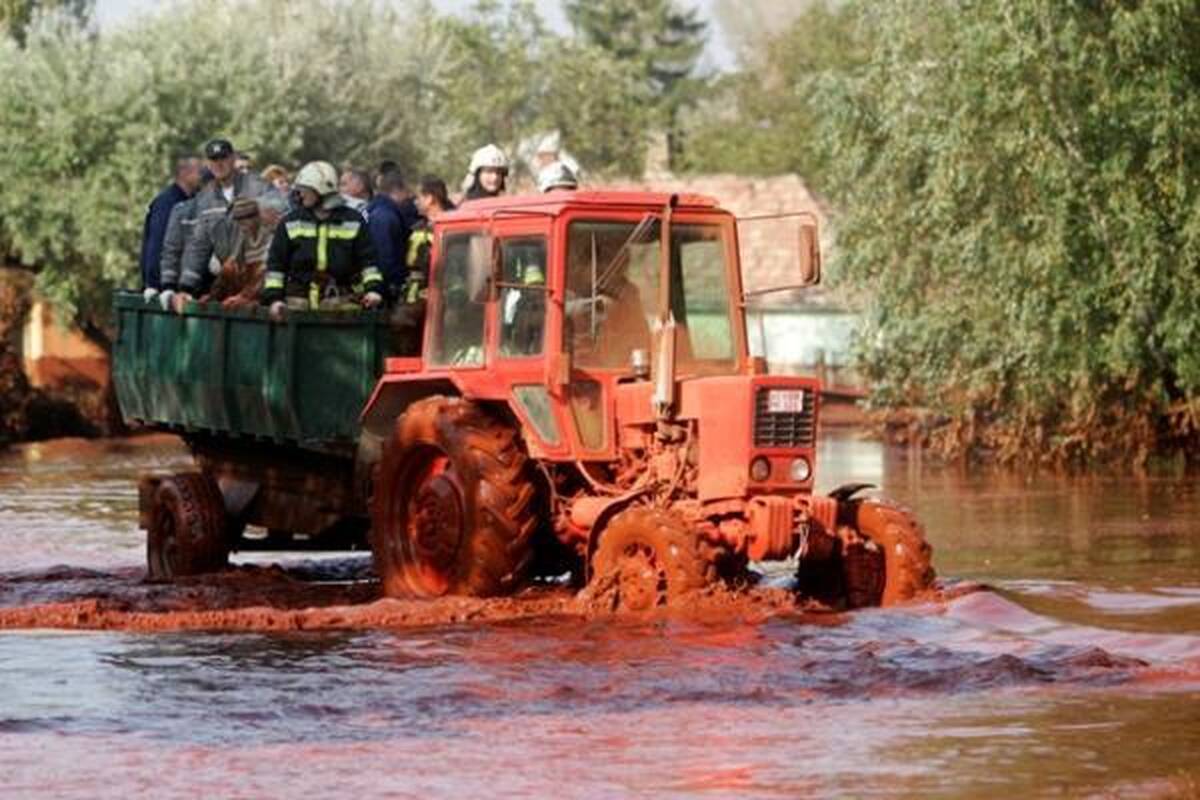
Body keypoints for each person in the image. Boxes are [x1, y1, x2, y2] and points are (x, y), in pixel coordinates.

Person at [261, 161, 383, 317]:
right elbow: (276, 266)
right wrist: (274, 299)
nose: (300, 194)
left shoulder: (354, 221)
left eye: (305, 190)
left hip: (340, 307)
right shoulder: (291, 222)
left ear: (321, 190)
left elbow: (369, 263)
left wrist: (374, 291)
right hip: (297, 306)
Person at [170, 138, 272, 308]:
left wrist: (244, 297)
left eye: (248, 218)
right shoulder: (235, 252)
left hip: (260, 304)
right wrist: (211, 297)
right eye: (239, 220)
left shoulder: (267, 246)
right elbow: (223, 276)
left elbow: (265, 276)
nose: (244, 225)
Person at [198, 196, 284, 307]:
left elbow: (267, 271)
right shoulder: (244, 237)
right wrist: (213, 294)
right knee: (229, 267)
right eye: (239, 222)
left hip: (264, 287)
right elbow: (231, 265)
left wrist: (245, 296)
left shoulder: (269, 235)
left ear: (255, 218)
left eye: (244, 221)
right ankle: (219, 297)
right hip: (246, 284)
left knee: (262, 269)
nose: (241, 226)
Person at [139, 156, 202, 296]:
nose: (202, 176)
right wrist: (156, 285)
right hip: (164, 290)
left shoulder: (191, 202)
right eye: (199, 171)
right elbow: (157, 245)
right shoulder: (167, 203)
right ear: (185, 173)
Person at [366, 170, 418, 300]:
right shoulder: (385, 216)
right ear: (397, 190)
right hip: (385, 289)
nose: (409, 198)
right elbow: (384, 256)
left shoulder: (382, 212)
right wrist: (392, 285)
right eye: (407, 193)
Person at [404, 176, 455, 303]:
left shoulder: (447, 229)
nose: (415, 202)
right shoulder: (453, 224)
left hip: (434, 301)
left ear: (430, 198)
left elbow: (416, 270)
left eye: (418, 197)